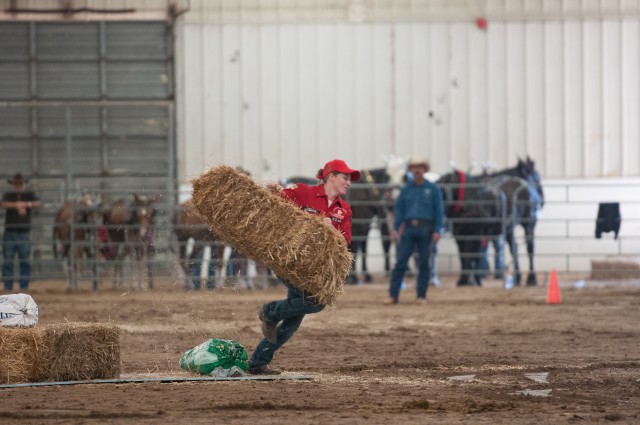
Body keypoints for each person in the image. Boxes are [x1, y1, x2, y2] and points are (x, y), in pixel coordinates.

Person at [249, 159, 359, 375]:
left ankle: (257, 362)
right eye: (345, 178)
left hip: (312, 271)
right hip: (289, 262)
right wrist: (272, 189)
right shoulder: (301, 192)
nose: (349, 183)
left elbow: (346, 241)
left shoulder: (344, 210)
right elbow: (275, 205)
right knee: (316, 304)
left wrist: (331, 232)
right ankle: (270, 311)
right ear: (331, 176)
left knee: (293, 320)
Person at [385, 158, 444, 305]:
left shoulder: (433, 189)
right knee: (401, 262)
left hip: (426, 228)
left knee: (424, 263)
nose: (417, 170)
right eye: (414, 167)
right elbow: (399, 210)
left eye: (420, 167)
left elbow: (439, 210)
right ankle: (393, 295)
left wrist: (437, 229)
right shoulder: (406, 190)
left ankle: (421, 296)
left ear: (424, 169)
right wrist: (395, 228)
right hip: (409, 228)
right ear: (411, 170)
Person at [2, 173, 40, 292]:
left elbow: (37, 203)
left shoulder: (29, 194)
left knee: (24, 260)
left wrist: (25, 204)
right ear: (13, 185)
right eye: (16, 184)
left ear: (23, 184)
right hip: (10, 232)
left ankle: (24, 287)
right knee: (8, 261)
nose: (18, 186)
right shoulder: (9, 194)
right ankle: (8, 287)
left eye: (20, 184)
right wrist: (17, 205)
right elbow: (3, 203)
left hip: (23, 232)